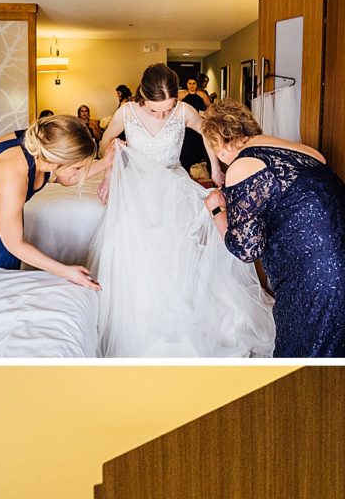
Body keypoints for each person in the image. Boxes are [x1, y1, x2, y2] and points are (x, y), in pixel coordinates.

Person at [92, 63, 275, 358]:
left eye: (168, 108)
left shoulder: (184, 111)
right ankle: (146, 320)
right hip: (137, 188)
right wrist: (108, 173)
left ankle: (183, 314)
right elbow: (105, 142)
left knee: (179, 249)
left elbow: (206, 132)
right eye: (155, 110)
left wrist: (215, 167)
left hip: (173, 184)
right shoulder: (125, 112)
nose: (163, 115)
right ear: (143, 97)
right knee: (138, 251)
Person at [201, 100, 345, 357]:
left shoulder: (242, 166)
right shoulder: (304, 151)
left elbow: (246, 248)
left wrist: (217, 210)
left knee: (301, 362)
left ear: (219, 146)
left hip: (322, 279)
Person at [0, 112, 102, 284]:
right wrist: (66, 271)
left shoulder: (45, 142)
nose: (79, 172)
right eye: (78, 167)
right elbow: (15, 243)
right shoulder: (14, 175)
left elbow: (67, 178)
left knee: (6, 264)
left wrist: (108, 161)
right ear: (55, 162)